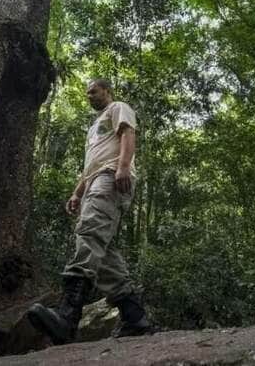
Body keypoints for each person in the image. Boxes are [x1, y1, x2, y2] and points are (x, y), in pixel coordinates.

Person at [28, 78, 152, 345]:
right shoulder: (93, 128)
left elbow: (128, 134)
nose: (89, 96)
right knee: (101, 250)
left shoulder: (118, 107)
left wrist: (123, 167)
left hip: (111, 176)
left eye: (93, 91)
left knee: (90, 233)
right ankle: (136, 318)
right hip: (96, 178)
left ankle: (67, 318)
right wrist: (77, 192)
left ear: (107, 91)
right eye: (87, 93)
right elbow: (91, 164)